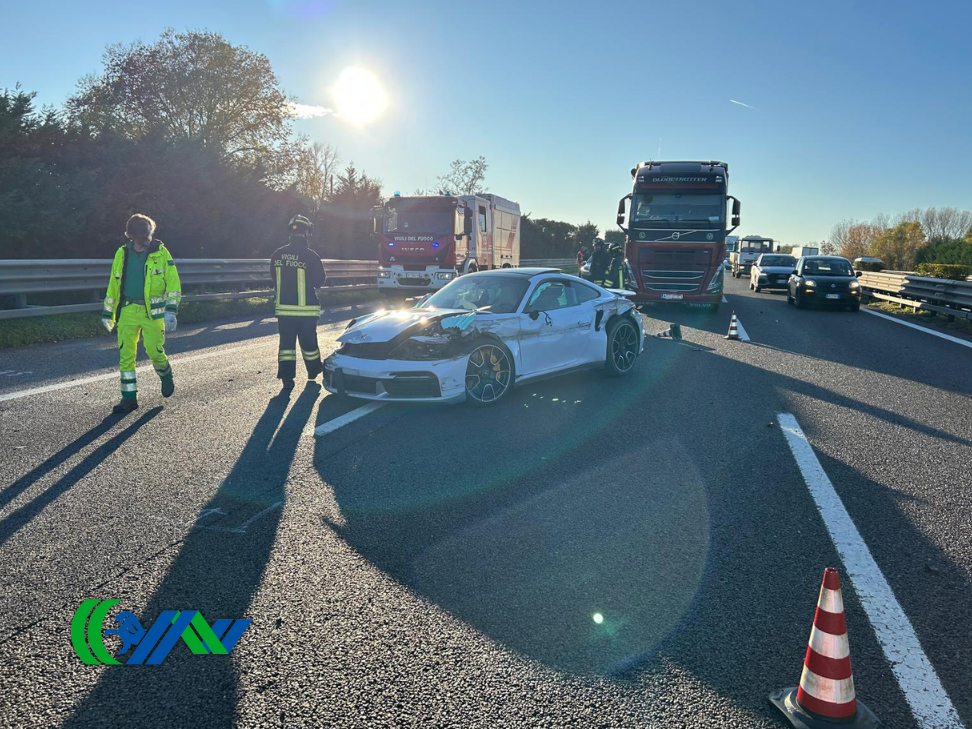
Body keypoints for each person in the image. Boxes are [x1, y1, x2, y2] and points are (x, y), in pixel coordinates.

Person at [101, 214, 182, 414]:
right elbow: (114, 282)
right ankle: (128, 398)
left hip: (152, 313)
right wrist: (108, 312)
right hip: (128, 311)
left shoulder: (161, 253)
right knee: (126, 356)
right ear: (130, 235)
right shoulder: (122, 253)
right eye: (140, 237)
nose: (145, 240)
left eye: (147, 235)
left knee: (154, 351)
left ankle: (165, 374)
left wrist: (171, 310)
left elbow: (173, 283)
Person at [271, 215, 327, 388]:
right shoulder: (310, 256)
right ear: (307, 232)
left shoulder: (277, 254)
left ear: (291, 232)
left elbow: (274, 279)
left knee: (286, 345)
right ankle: (314, 369)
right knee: (309, 342)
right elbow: (320, 281)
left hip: (284, 310)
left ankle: (287, 378)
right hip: (306, 310)